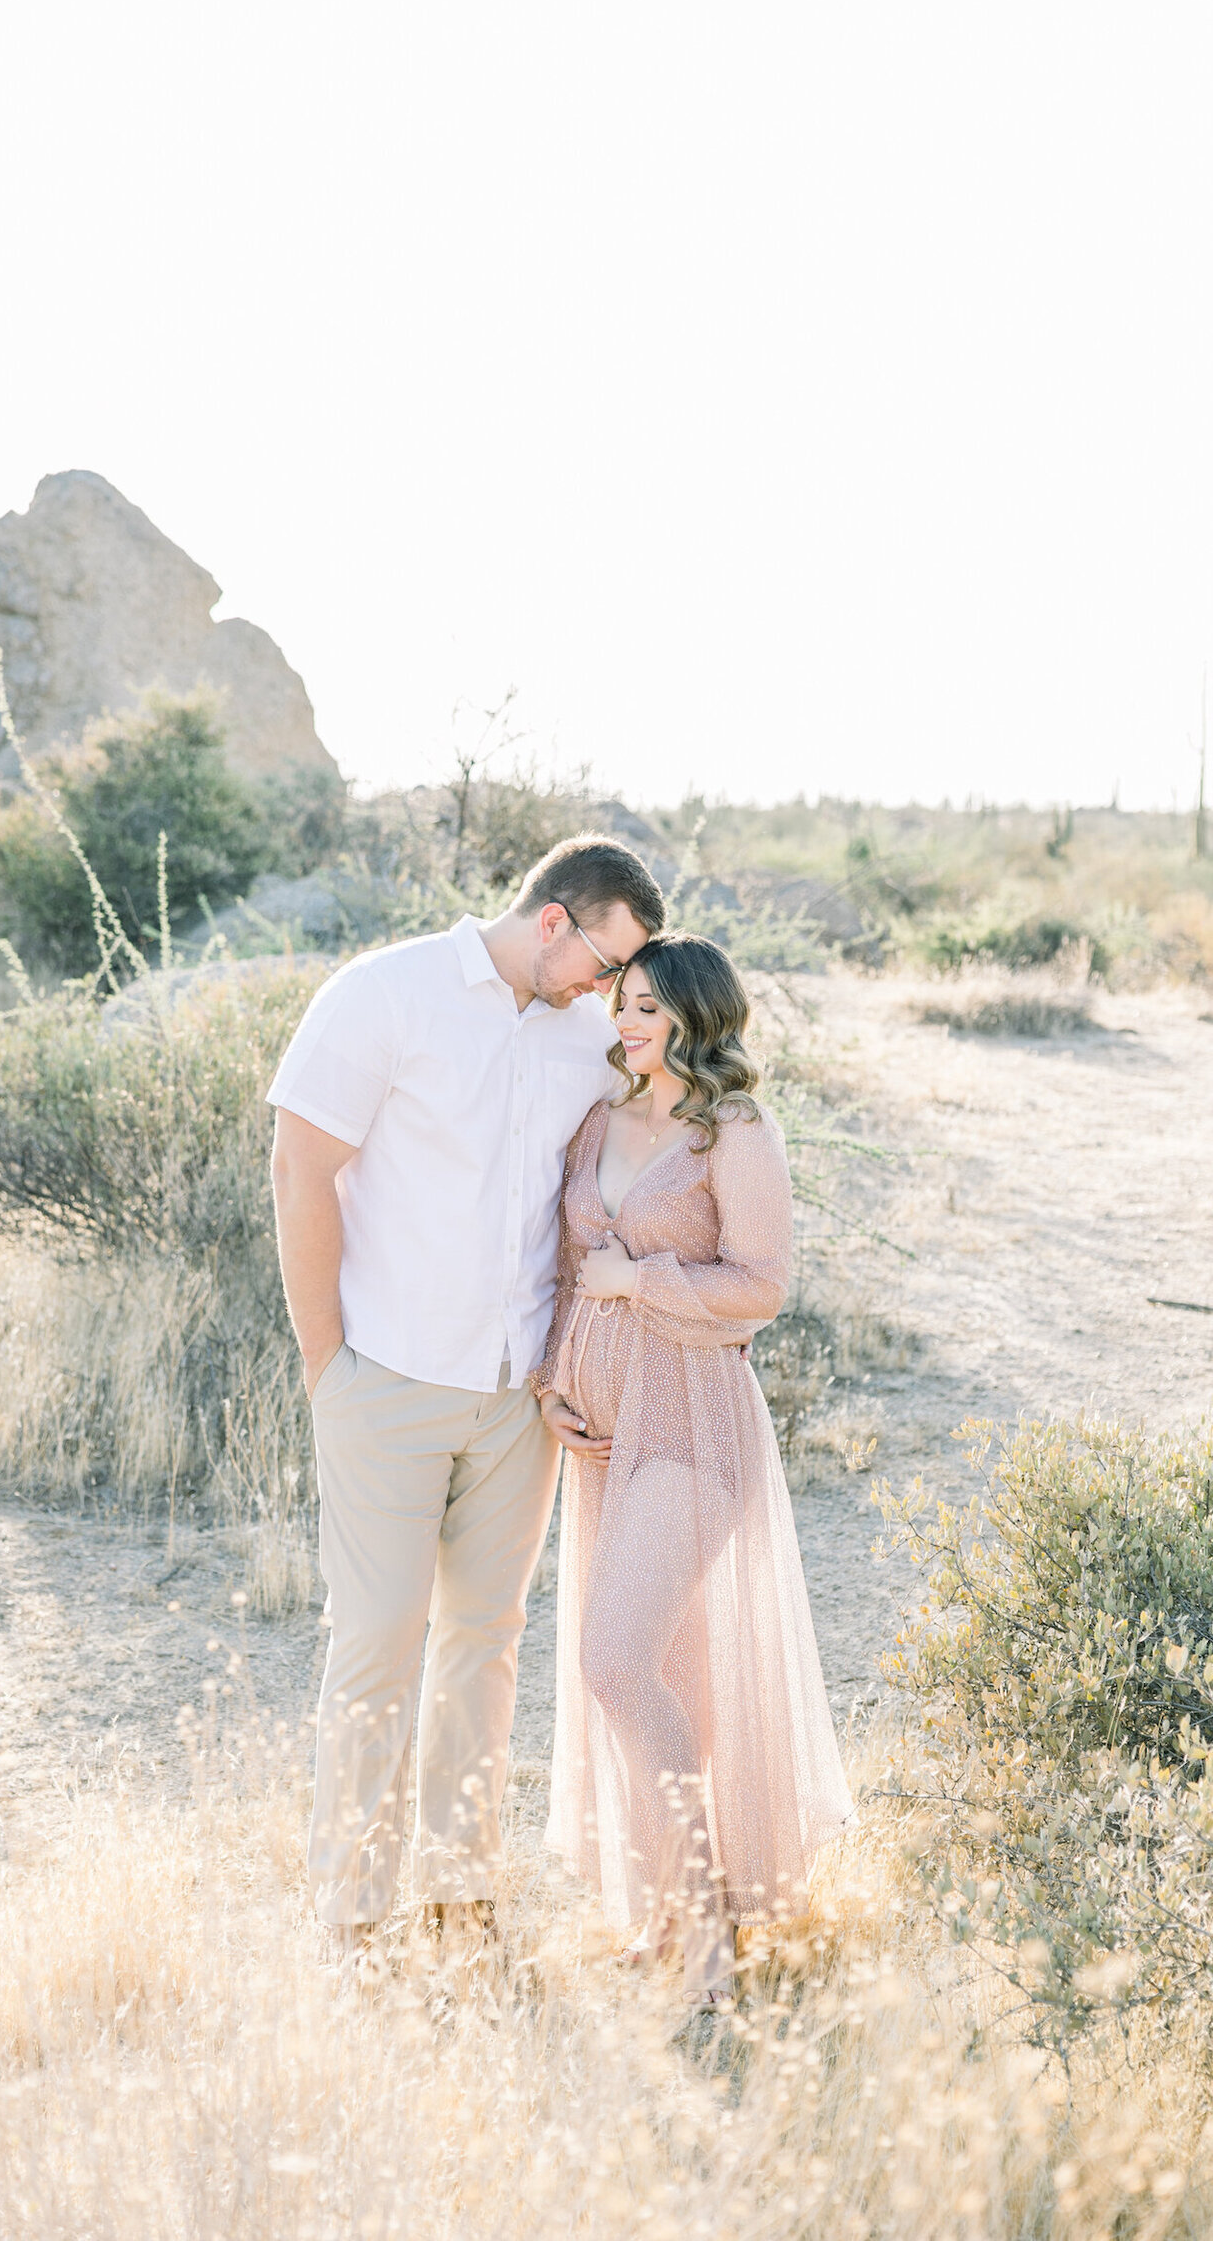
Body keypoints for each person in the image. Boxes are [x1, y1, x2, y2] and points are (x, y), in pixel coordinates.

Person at [267, 835, 666, 1954]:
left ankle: (459, 1895)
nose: (605, 991)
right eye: (601, 961)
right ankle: (350, 1909)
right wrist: (325, 1363)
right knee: (380, 1637)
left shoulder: (586, 1042)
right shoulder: (383, 994)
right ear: (552, 921)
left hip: (515, 1396)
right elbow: (300, 1166)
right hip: (384, 1376)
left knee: (485, 1641)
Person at [535, 933, 853, 2008]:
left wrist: (644, 1285)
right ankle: (666, 1912)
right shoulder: (595, 1122)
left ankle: (713, 1932)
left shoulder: (733, 1132)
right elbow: (573, 1272)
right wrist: (552, 1384)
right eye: (622, 1005)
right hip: (604, 1436)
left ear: (696, 1019)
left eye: (651, 1011)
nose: (627, 1025)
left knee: (616, 1661)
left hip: (693, 1428)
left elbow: (759, 1287)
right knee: (670, 1674)